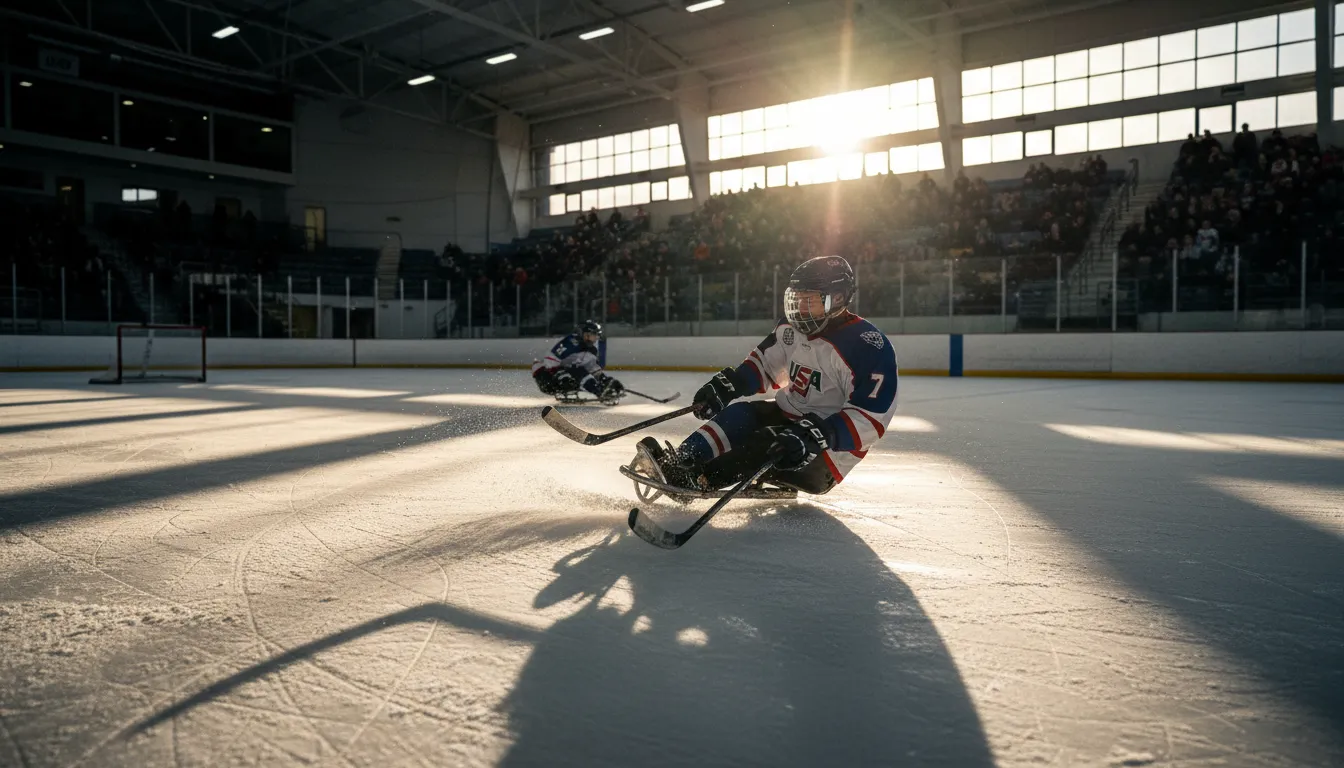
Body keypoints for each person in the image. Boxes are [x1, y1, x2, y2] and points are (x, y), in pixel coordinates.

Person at [636, 255, 898, 498]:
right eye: (798, 299)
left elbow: (871, 418)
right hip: (791, 417)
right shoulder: (789, 329)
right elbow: (765, 366)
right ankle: (681, 462)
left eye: (811, 301)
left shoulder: (866, 346)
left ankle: (700, 480)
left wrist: (820, 434)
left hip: (826, 455)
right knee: (740, 415)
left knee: (765, 442)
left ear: (838, 299)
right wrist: (731, 385)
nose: (801, 309)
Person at [532, 320, 624, 401]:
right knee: (578, 372)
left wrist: (604, 380)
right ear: (583, 334)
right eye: (591, 335)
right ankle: (599, 391)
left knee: (578, 372)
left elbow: (591, 367)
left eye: (595, 336)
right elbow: (550, 361)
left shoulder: (591, 349)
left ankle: (600, 390)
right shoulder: (570, 342)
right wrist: (562, 376)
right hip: (546, 378)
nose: (593, 339)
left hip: (564, 377)